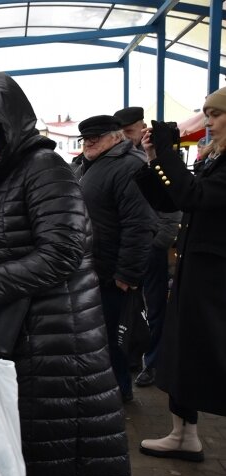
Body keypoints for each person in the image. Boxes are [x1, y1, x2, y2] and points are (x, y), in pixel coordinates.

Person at [0, 72, 135, 476]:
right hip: (21, 348)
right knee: (29, 475)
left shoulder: (42, 168)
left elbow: (64, 251)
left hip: (57, 353)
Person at [134, 86, 226, 462]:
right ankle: (183, 433)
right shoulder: (215, 158)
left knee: (212, 356)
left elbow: (194, 198)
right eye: (207, 114)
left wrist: (169, 155)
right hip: (200, 273)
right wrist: (156, 157)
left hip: (216, 280)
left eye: (216, 114)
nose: (209, 123)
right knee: (183, 351)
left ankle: (185, 433)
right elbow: (171, 199)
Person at [72, 114, 154, 402]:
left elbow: (139, 223)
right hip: (94, 270)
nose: (89, 142)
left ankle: (119, 392)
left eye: (97, 136)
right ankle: (109, 390)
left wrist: (127, 274)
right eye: (86, 138)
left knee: (114, 338)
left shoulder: (128, 166)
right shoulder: (89, 166)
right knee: (101, 337)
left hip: (112, 273)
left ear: (116, 137)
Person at [115, 107, 182, 386]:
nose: (127, 138)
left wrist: (158, 243)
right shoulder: (119, 159)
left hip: (152, 247)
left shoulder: (158, 156)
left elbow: (173, 206)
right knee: (131, 307)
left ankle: (153, 363)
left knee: (155, 308)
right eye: (123, 133)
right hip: (131, 247)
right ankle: (133, 355)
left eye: (131, 132)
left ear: (142, 128)